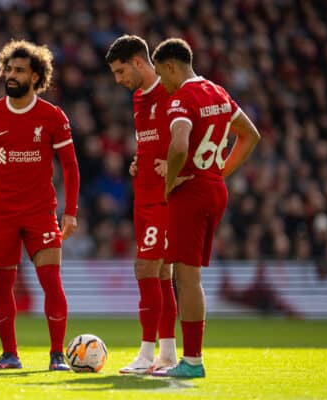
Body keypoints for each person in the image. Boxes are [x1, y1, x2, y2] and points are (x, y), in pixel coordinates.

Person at [0, 39, 80, 371]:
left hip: (41, 212)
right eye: (8, 69)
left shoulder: (52, 117)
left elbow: (70, 166)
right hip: (1, 214)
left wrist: (71, 211)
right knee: (2, 285)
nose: (11, 75)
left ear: (36, 76)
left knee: (51, 281)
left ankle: (57, 355)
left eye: (19, 70)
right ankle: (10, 354)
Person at [150, 38, 260, 378]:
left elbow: (180, 145)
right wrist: (220, 172)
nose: (163, 84)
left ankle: (193, 361)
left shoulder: (182, 98)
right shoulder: (218, 92)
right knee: (188, 276)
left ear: (171, 67)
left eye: (161, 74)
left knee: (186, 278)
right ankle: (188, 358)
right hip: (214, 189)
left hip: (192, 192)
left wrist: (169, 183)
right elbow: (251, 135)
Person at [106, 35, 191, 374]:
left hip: (164, 198)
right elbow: (153, 141)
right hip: (142, 194)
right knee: (161, 273)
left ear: (139, 62)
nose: (118, 80)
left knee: (145, 269)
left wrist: (176, 169)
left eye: (120, 70)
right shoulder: (139, 98)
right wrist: (140, 161)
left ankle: (145, 353)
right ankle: (167, 353)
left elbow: (190, 138)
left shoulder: (172, 92)